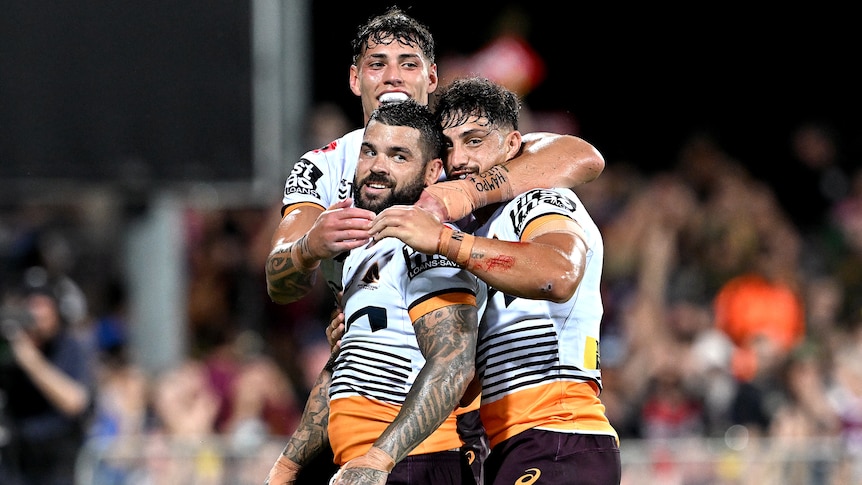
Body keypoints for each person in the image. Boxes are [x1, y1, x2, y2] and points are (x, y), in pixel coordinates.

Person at [264, 7, 600, 483]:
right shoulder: (325, 166)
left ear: (432, 76)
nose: (393, 75)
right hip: (368, 410)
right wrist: (307, 249)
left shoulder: (451, 148)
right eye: (378, 63)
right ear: (355, 78)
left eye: (409, 62)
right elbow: (280, 281)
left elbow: (580, 155)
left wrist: (459, 197)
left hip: (469, 426)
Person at [367, 77, 620, 484]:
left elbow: (559, 273)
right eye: (448, 146)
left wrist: (445, 240)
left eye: (474, 140)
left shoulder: (539, 199)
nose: (460, 159)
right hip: (513, 444)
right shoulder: (481, 230)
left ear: (512, 145)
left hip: (557, 433)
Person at [265, 100, 485, 485]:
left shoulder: (425, 239)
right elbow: (345, 368)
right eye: (370, 151)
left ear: (433, 171)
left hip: (416, 462)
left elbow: (452, 361)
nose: (378, 166)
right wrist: (287, 468)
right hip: (363, 464)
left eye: (399, 156)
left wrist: (379, 460)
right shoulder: (363, 244)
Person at [0, 282, 95, 485]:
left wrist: (31, 362)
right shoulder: (9, 344)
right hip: (16, 457)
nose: (37, 315)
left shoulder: (68, 346)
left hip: (56, 460)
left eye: (44, 306)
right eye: (32, 306)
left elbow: (74, 401)